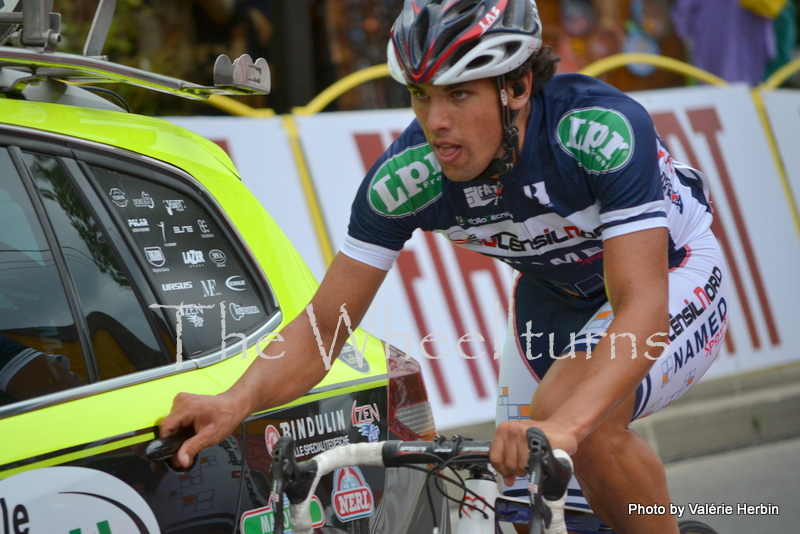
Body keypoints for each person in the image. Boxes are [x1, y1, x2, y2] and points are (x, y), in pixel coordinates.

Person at [160, 0, 729, 532]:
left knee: (582, 429)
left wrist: (563, 426)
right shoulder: (408, 179)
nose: (436, 122)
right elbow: (324, 326)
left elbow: (642, 304)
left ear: (518, 86)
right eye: (421, 94)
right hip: (552, 298)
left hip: (673, 273)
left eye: (458, 96)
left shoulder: (597, 132)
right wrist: (234, 400)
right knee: (521, 505)